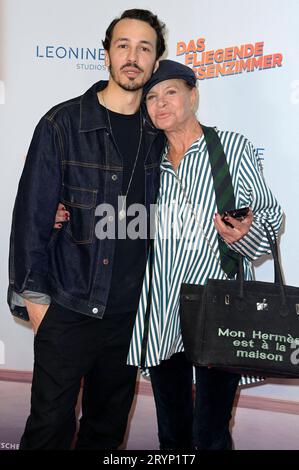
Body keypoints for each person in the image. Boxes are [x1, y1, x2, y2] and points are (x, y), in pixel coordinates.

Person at [8, 9, 166, 449]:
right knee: (48, 433)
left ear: (155, 62)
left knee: (106, 433)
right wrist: (37, 306)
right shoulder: (62, 124)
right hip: (68, 306)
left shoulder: (161, 136)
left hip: (130, 318)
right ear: (106, 55)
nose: (132, 57)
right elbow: (31, 221)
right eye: (123, 46)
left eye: (144, 48)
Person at [127, 59, 283, 450]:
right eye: (151, 97)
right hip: (160, 310)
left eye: (171, 93)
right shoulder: (147, 164)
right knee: (172, 434)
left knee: (211, 435)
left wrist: (244, 234)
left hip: (219, 310)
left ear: (193, 96)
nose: (160, 103)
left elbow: (270, 215)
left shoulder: (231, 147)